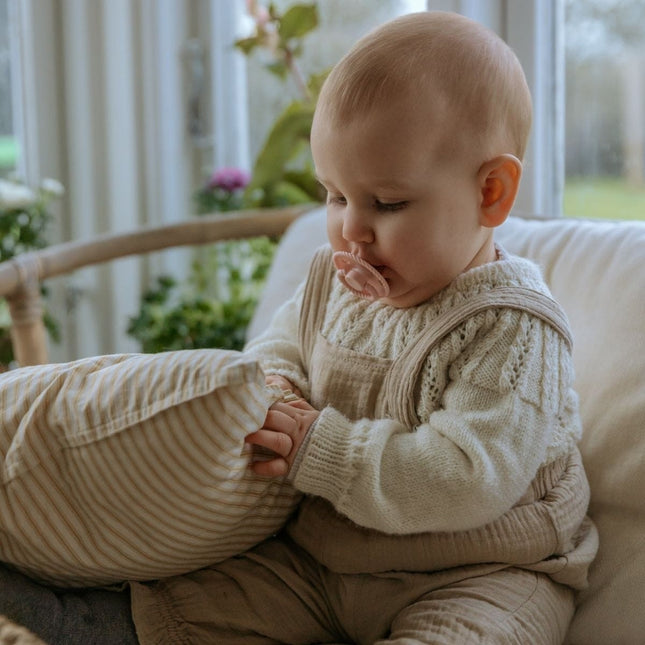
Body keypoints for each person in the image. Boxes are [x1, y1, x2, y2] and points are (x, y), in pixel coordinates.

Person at [0, 10, 597, 644]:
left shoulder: (512, 327)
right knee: (196, 605)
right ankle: (79, 619)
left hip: (481, 569)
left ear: (491, 193)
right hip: (324, 556)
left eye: (387, 203)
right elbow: (284, 343)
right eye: (336, 196)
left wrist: (323, 449)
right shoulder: (338, 277)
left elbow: (468, 478)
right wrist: (275, 386)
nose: (352, 230)